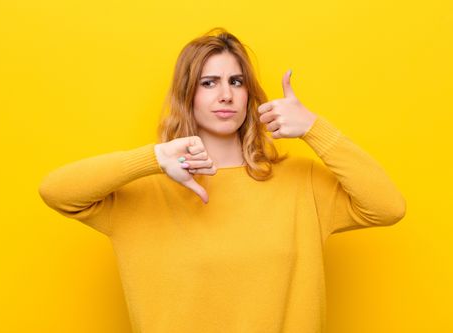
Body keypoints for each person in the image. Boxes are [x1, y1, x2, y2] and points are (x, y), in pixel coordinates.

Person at [38, 27, 406, 333]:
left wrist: (314, 128)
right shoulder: (143, 193)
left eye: (236, 81)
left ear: (249, 94)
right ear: (188, 95)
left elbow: (388, 208)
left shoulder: (300, 183)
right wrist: (151, 158)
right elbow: (56, 191)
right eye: (209, 82)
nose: (226, 95)